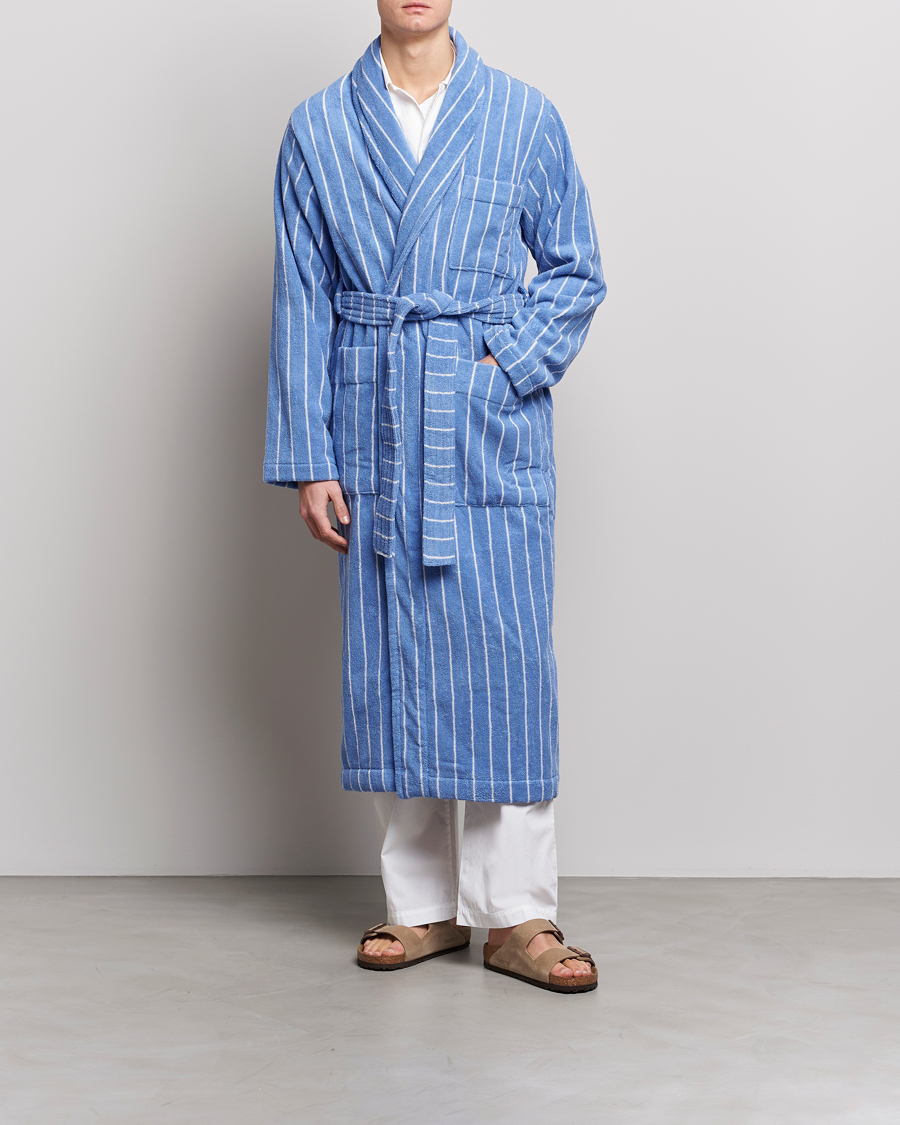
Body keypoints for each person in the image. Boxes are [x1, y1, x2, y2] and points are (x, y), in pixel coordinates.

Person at [264, 0, 606, 993]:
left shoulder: (523, 115)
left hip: (483, 421)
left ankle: (520, 915)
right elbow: (301, 296)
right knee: (395, 650)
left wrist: (503, 368)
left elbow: (577, 268)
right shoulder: (319, 127)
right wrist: (310, 454)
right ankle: (420, 907)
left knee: (504, 657)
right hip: (373, 412)